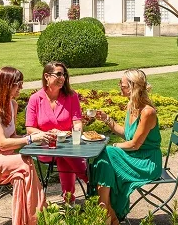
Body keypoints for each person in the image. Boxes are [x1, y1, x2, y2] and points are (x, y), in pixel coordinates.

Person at [0, 66, 47, 225]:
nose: (21, 87)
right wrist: (31, 139)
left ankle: (29, 219)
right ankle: (38, 217)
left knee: (22, 171)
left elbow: (12, 137)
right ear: (5, 85)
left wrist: (38, 136)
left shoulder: (12, 105)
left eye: (21, 83)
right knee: (23, 163)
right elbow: (2, 143)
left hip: (5, 159)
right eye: (17, 84)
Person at [91, 69, 162, 225]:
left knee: (107, 153)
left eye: (121, 85)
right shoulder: (132, 105)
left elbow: (135, 144)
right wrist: (107, 120)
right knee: (104, 161)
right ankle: (108, 212)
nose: (119, 87)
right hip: (135, 156)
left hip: (147, 162)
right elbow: (127, 134)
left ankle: (106, 210)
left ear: (132, 87)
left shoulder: (147, 112)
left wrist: (114, 146)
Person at [25, 61, 88, 203]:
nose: (62, 78)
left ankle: (69, 199)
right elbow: (30, 128)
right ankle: (92, 184)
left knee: (65, 154)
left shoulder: (71, 96)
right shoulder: (35, 99)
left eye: (64, 74)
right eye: (58, 74)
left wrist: (75, 131)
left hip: (67, 144)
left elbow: (77, 122)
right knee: (66, 155)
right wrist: (48, 135)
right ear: (46, 76)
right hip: (45, 147)